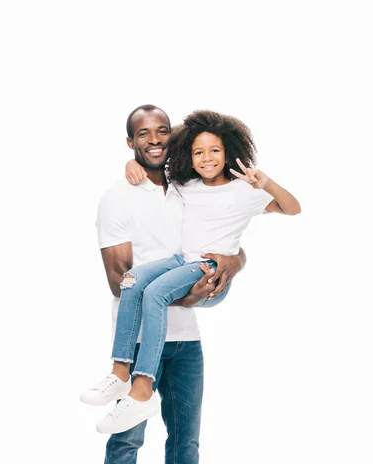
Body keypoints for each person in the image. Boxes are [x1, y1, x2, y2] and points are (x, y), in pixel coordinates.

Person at [92, 104, 251, 464]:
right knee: (126, 439)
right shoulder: (118, 197)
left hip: (186, 342)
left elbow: (228, 243)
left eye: (163, 132)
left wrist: (234, 265)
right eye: (144, 134)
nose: (155, 140)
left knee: (186, 442)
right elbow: (118, 278)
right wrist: (179, 299)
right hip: (140, 339)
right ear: (130, 143)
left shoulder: (185, 188)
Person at [81, 110, 301, 437]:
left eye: (215, 151)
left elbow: (293, 208)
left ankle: (142, 391)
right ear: (189, 156)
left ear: (229, 152)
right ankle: (119, 372)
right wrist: (131, 164)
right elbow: (153, 165)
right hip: (180, 260)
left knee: (154, 294)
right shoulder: (187, 183)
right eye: (198, 152)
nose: (207, 158)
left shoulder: (245, 190)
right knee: (133, 281)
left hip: (207, 266)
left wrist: (265, 181)